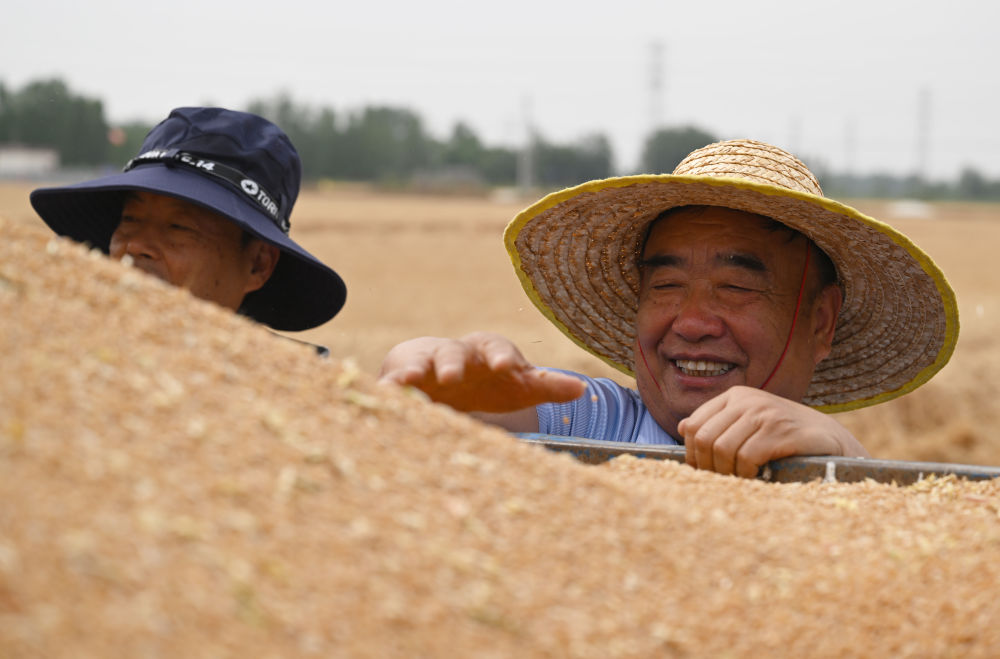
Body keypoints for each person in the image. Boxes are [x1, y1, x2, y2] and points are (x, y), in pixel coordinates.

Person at [379, 139, 959, 478]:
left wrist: (843, 458)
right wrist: (432, 378)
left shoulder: (830, 459)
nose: (692, 322)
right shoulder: (598, 421)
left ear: (820, 322)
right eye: (666, 285)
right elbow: (463, 414)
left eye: (736, 286)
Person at [30, 106, 346, 337]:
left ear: (257, 265)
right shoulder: (54, 353)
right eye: (130, 219)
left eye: (179, 227)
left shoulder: (287, 403)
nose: (135, 245)